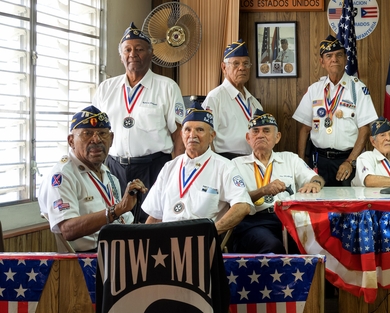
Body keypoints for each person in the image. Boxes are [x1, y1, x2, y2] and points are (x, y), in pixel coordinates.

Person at [92, 22, 185, 221]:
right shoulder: (106, 88)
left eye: (139, 49)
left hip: (153, 167)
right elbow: (96, 134)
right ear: (121, 56)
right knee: (117, 223)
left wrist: (176, 171)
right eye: (128, 49)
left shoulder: (167, 87)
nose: (133, 54)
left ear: (151, 54)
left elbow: (179, 135)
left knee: (151, 223)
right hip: (113, 167)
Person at [38, 106, 147, 251]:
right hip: (89, 260)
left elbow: (124, 218)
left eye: (102, 133)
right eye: (86, 134)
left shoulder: (108, 174)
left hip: (121, 250)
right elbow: (68, 230)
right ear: (71, 141)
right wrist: (117, 209)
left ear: (112, 138)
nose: (96, 140)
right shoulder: (62, 176)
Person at [143, 108, 252, 233]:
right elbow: (155, 216)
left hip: (201, 242)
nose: (192, 135)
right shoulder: (169, 167)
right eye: (187, 130)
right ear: (181, 134)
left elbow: (243, 206)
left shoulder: (225, 167)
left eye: (199, 130)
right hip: (167, 241)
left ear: (212, 136)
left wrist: (211, 232)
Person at [231, 111, 324, 254]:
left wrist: (315, 183)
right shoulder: (235, 165)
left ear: (277, 137)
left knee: (316, 243)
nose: (260, 135)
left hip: (289, 219)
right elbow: (234, 201)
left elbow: (315, 178)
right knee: (272, 247)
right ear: (248, 138)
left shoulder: (290, 159)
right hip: (253, 222)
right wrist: (263, 190)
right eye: (255, 131)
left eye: (266, 131)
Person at [294, 35, 377, 186]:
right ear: (322, 62)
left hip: (347, 161)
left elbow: (364, 129)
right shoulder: (314, 90)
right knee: (318, 205)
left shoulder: (358, 88)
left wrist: (350, 162)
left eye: (339, 55)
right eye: (329, 56)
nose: (334, 59)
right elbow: (304, 129)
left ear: (345, 59)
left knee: (348, 205)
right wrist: (301, 164)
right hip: (319, 160)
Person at [201, 39, 263, 160]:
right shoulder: (215, 97)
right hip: (226, 160)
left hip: (252, 161)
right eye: (236, 63)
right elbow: (206, 136)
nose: (242, 68)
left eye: (246, 64)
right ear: (224, 67)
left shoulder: (255, 103)